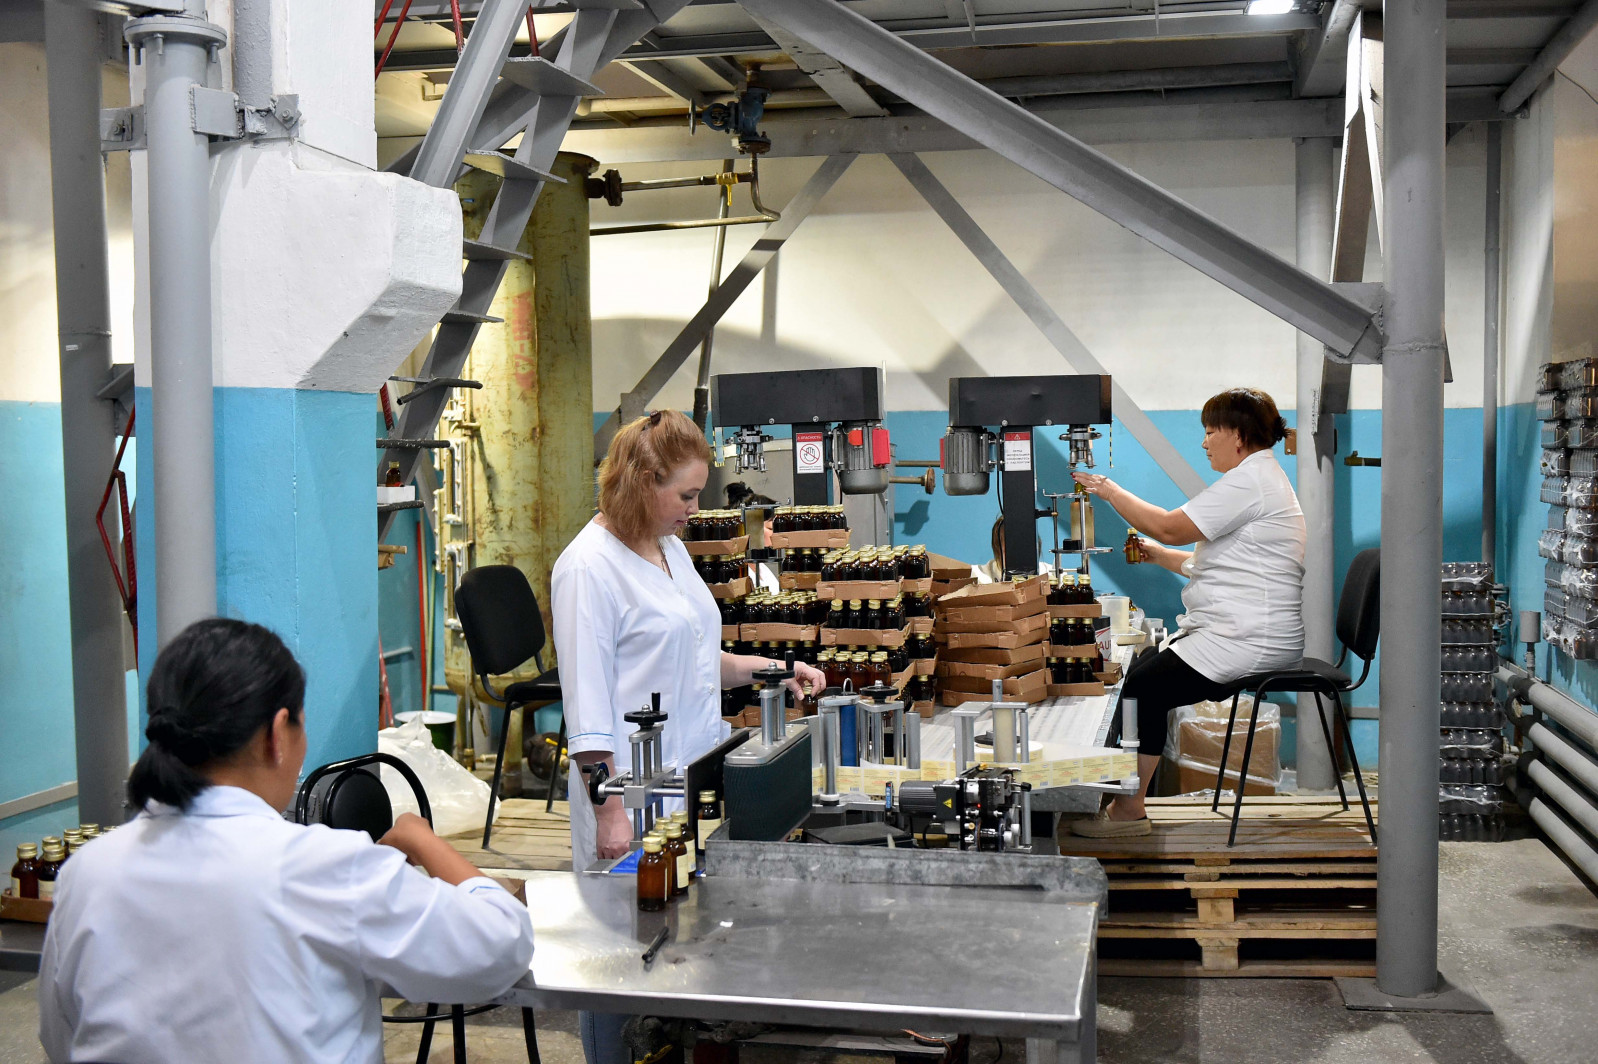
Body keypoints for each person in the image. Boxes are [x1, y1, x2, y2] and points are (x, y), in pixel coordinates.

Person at [38, 618, 534, 1064]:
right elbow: (501, 944)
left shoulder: (86, 872)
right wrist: (422, 840)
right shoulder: (324, 867)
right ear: (277, 734)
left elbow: (61, 1038)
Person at [552, 409, 825, 1064]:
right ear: (643, 482)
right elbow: (586, 709)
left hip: (687, 783)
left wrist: (775, 669)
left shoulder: (668, 548)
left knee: (672, 944)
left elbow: (699, 657)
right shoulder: (588, 569)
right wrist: (609, 814)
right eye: (687, 494)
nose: (695, 509)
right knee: (622, 954)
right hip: (632, 796)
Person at [1066, 388, 1305, 837]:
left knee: (1144, 688)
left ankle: (1129, 809)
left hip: (1249, 637)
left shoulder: (1250, 482)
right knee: (1142, 672)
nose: (1204, 442)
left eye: (1211, 431)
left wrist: (1109, 490)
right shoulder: (1258, 479)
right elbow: (1218, 564)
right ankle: (1122, 797)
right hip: (1243, 630)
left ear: (1238, 435)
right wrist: (1158, 556)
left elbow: (1169, 526)